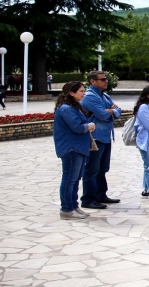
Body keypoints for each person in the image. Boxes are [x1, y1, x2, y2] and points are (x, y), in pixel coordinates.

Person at [53, 82, 96, 220]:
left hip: (79, 147)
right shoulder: (66, 109)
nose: (84, 93)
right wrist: (89, 125)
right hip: (71, 148)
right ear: (71, 93)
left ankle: (73, 205)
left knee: (76, 179)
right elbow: (77, 127)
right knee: (69, 179)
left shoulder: (75, 107)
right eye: (81, 91)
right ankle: (66, 208)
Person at [80, 71, 122, 209]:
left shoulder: (105, 95)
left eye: (106, 79)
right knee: (92, 169)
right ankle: (88, 199)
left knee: (102, 168)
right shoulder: (90, 97)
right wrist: (110, 111)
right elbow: (102, 115)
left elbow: (118, 111)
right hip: (95, 137)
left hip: (105, 137)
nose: (106, 81)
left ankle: (100, 194)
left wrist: (111, 111)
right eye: (103, 79)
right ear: (93, 81)